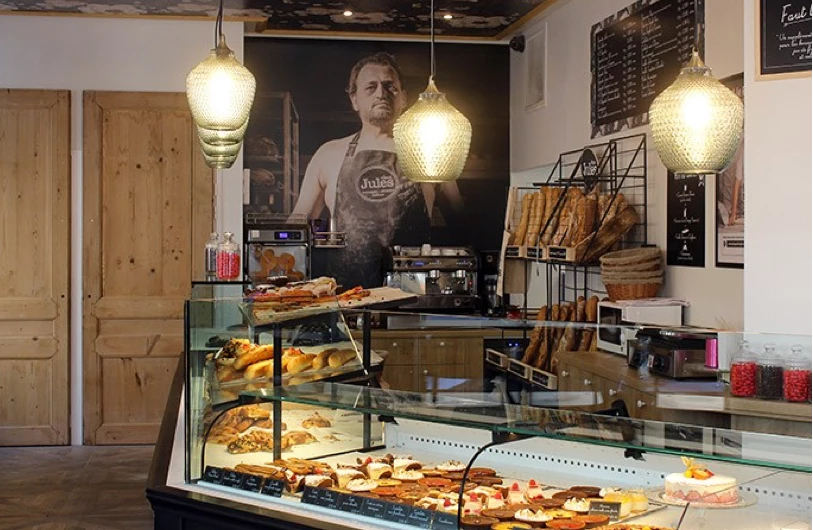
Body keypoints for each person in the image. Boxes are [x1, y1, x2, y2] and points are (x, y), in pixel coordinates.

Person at [290, 51, 463, 289]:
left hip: (412, 297)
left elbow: (463, 227)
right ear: (354, 100)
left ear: (404, 98)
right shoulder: (329, 154)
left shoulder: (430, 154)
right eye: (371, 87)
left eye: (390, 87)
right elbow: (296, 229)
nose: (381, 93)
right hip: (346, 298)